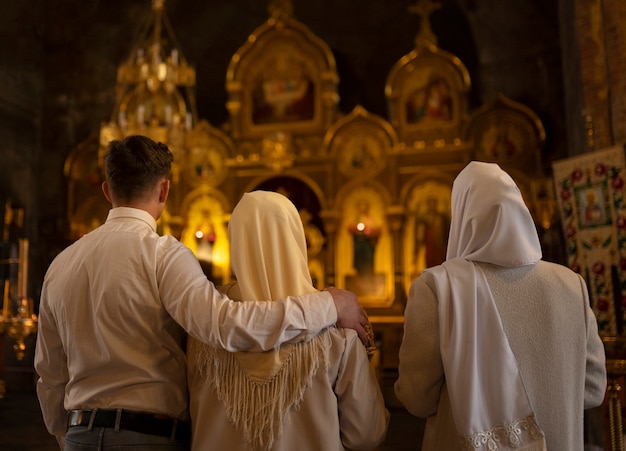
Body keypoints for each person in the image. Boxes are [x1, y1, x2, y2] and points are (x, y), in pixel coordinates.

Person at [34, 135, 368, 451]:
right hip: (148, 435)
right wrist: (329, 304)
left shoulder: (61, 265)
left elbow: (49, 373)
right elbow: (226, 327)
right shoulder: (163, 255)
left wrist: (66, 435)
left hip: (79, 435)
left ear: (107, 190)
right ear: (164, 190)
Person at [394, 161, 607, 451]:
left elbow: (417, 399)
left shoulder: (436, 288)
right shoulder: (571, 285)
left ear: (461, 214)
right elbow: (593, 391)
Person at [187, 191, 389, 451]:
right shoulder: (338, 334)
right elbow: (366, 434)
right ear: (296, 239)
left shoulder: (203, 327)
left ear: (235, 241)